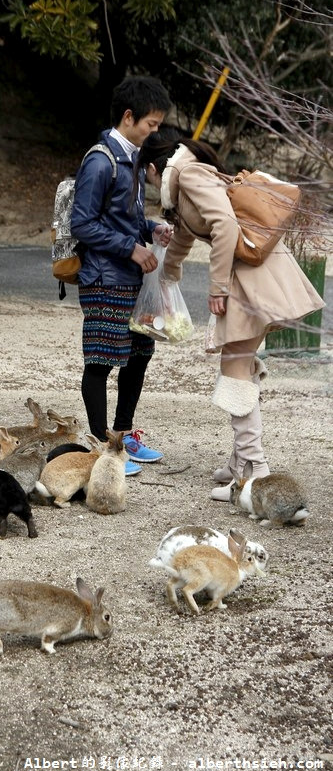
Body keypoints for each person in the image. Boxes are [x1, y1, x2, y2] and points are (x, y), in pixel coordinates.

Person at [133, 132, 325, 498]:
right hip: (257, 273)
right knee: (239, 361)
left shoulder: (187, 176)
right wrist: (166, 279)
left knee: (234, 368)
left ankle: (253, 473)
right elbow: (187, 235)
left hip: (252, 277)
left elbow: (225, 225)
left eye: (147, 177)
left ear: (154, 168)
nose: (151, 185)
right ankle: (241, 463)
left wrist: (217, 287)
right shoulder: (188, 180)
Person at [70, 76, 172, 477]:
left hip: (131, 278)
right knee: (100, 361)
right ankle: (102, 447)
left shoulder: (131, 158)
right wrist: (131, 247)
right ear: (129, 117)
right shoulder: (101, 160)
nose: (155, 130)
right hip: (103, 279)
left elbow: (121, 218)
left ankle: (124, 435)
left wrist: (150, 229)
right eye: (151, 123)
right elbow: (82, 224)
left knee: (138, 358)